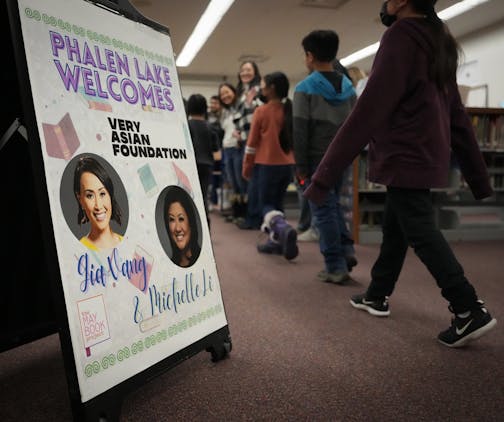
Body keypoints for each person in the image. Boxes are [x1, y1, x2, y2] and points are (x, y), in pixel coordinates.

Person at [304, 0, 497, 348]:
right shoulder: (437, 38)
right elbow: (455, 113)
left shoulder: (400, 36)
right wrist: (479, 176)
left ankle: (468, 307)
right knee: (397, 224)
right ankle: (378, 294)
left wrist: (323, 177)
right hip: (423, 152)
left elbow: (368, 110)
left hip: (405, 152)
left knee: (419, 228)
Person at [293, 29, 358, 284]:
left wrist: (300, 166)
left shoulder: (304, 88)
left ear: (309, 56)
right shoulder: (349, 88)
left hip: (315, 159)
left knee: (322, 211)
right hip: (341, 159)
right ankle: (347, 251)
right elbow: (356, 126)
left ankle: (335, 265)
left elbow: (300, 130)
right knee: (333, 207)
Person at [242, 71, 297, 260]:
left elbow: (251, 143)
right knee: (277, 204)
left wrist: (246, 167)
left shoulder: (262, 111)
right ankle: (276, 241)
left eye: (263, 84)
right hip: (287, 166)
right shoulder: (289, 109)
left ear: (271, 88)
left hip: (266, 165)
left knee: (263, 205)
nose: (261, 87)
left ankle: (283, 229)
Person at [234, 61, 264, 229]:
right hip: (243, 140)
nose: (245, 72)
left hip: (254, 140)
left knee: (253, 180)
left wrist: (251, 102)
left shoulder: (258, 90)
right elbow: (239, 117)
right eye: (242, 70)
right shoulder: (241, 92)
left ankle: (254, 218)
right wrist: (237, 131)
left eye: (248, 70)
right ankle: (251, 215)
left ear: (255, 72)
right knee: (246, 179)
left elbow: (260, 112)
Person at [73, 156, 123, 251]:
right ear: (80, 200)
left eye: (102, 193)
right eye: (90, 196)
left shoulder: (129, 244)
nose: (98, 206)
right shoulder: (78, 252)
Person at [186, 94, 220, 226]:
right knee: (203, 197)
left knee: (188, 196)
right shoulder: (211, 127)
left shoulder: (185, 125)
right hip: (206, 166)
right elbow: (218, 156)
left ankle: (191, 227)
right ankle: (206, 227)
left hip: (189, 165)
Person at [218, 82, 244, 222]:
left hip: (237, 148)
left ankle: (244, 213)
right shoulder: (225, 112)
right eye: (222, 94)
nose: (225, 96)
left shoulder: (239, 107)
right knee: (232, 183)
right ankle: (236, 212)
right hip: (226, 149)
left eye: (227, 92)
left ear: (234, 92)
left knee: (240, 182)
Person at [163, 188, 201, 267]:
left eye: (181, 219)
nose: (177, 228)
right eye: (172, 220)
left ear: (190, 221)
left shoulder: (204, 259)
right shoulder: (168, 265)